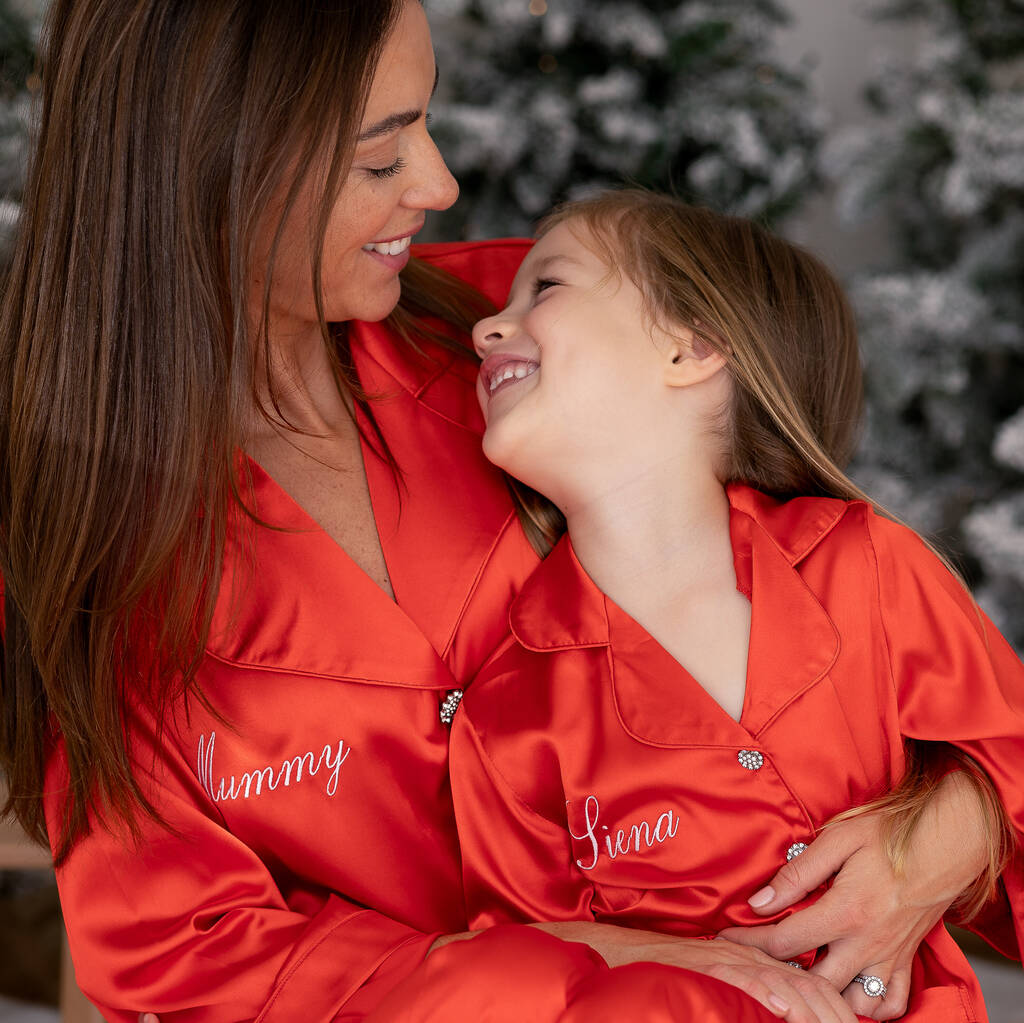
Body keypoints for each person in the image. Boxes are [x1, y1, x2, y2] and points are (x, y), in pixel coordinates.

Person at [0, 2, 1010, 1020]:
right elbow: (184, 953)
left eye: (424, 122)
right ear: (209, 164)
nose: (437, 186)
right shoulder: (84, 545)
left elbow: (854, 625)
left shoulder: (534, 335)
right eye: (379, 158)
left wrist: (935, 844)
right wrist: (577, 967)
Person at [423, 189, 1024, 1022]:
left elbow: (1012, 767)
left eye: (546, 287)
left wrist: (941, 828)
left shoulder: (868, 567)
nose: (488, 327)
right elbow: (519, 947)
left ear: (694, 346)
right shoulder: (507, 709)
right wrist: (685, 962)